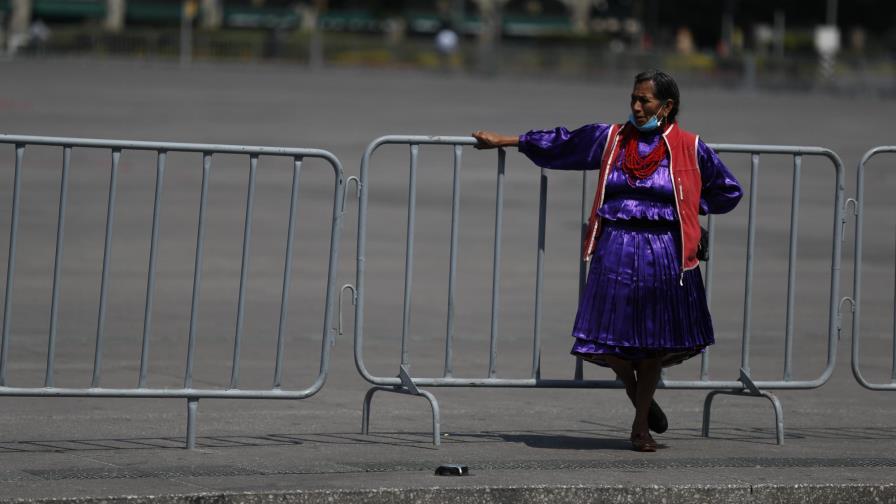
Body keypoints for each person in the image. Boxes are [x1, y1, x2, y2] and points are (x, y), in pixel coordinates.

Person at [472, 70, 743, 452]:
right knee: (611, 343)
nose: (636, 106)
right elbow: (563, 143)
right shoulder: (612, 138)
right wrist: (507, 141)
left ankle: (639, 427)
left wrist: (688, 210)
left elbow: (728, 191)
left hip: (664, 257)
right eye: (633, 98)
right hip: (615, 251)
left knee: (651, 345)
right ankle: (637, 394)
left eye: (644, 100)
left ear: (666, 107)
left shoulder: (690, 146)